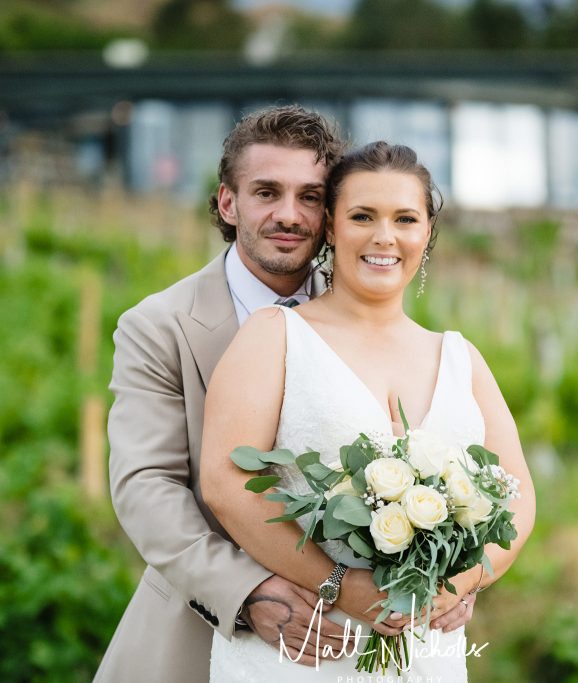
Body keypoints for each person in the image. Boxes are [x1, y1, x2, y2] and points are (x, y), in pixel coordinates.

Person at [95, 108, 477, 682]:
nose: (288, 215)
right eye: (267, 192)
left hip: (367, 644)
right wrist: (248, 592)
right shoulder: (160, 326)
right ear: (228, 203)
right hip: (200, 627)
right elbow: (145, 488)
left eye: (309, 196)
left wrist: (452, 574)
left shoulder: (370, 309)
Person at [200, 141, 536, 680]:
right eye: (363, 216)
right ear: (330, 227)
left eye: (405, 218)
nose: (385, 237)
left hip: (426, 650)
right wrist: (341, 585)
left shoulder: (459, 357)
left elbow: (519, 497)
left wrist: (457, 583)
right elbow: (224, 482)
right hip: (302, 644)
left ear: (427, 233)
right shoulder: (276, 336)